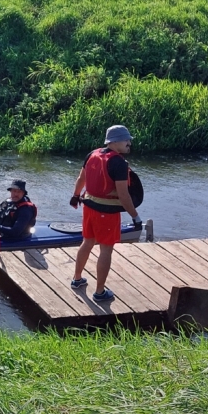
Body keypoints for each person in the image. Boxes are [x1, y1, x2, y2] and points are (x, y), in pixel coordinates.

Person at [68, 125, 142, 302]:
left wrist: (75, 196)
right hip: (107, 213)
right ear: (115, 142)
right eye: (126, 140)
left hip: (89, 207)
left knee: (87, 242)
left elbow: (81, 179)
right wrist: (135, 216)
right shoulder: (119, 163)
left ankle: (77, 279)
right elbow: (123, 196)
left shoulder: (92, 154)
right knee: (106, 249)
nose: (129, 143)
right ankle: (100, 292)